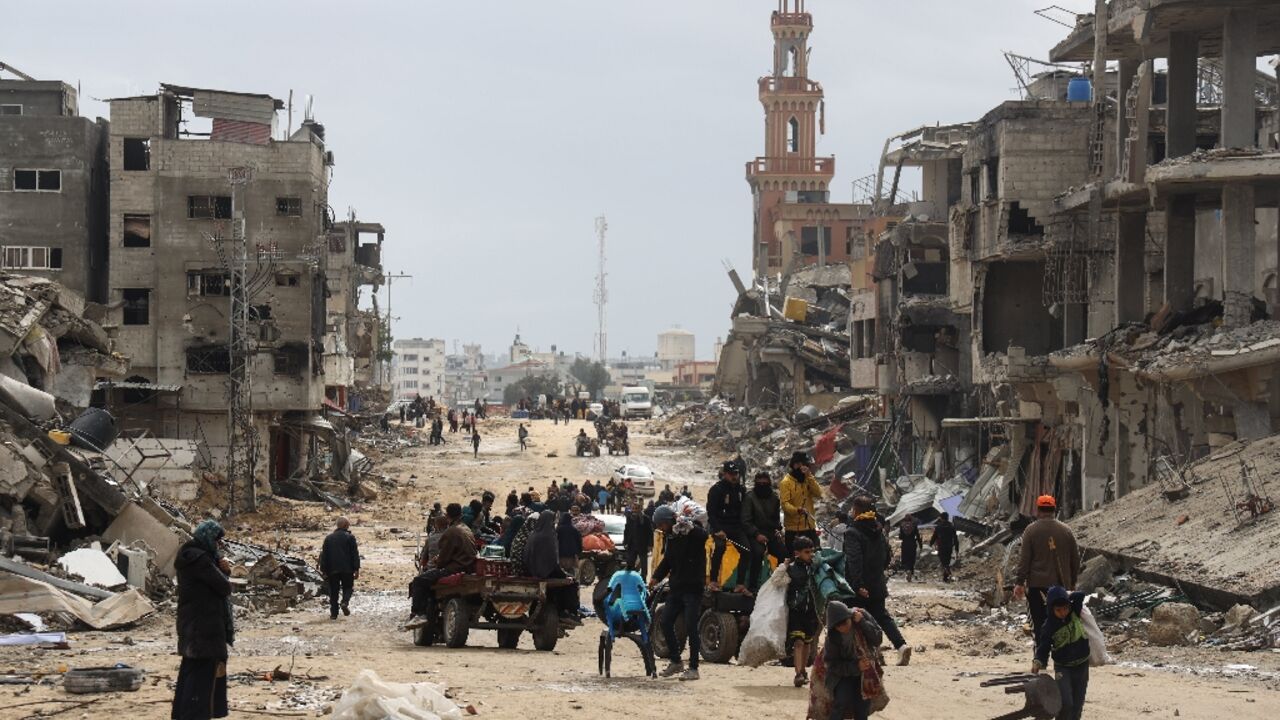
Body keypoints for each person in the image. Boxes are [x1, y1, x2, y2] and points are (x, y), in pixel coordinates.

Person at [172, 520, 233, 720]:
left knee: (190, 674)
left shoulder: (190, 556)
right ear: (208, 539)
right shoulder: (201, 560)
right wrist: (224, 570)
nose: (218, 545)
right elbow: (223, 587)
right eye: (216, 541)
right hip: (204, 628)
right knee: (201, 681)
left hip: (193, 625)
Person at [843, 497, 911, 666]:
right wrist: (877, 572)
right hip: (877, 582)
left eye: (852, 509)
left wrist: (858, 584)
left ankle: (872, 653)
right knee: (882, 616)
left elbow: (854, 560)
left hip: (859, 585)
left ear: (857, 511)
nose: (851, 512)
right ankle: (901, 646)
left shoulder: (852, 532)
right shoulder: (878, 531)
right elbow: (886, 557)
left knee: (856, 618)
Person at [649, 505, 708, 681]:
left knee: (691, 627)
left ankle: (693, 668)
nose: (661, 528)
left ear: (669, 520)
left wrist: (690, 527)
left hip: (693, 588)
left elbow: (704, 536)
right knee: (665, 622)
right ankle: (676, 661)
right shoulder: (670, 537)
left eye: (662, 524)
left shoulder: (689, 532)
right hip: (676, 588)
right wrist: (655, 577)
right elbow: (668, 560)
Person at [1013, 495, 1081, 637]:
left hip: (1037, 587)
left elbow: (1024, 560)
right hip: (1061, 586)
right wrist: (1073, 582)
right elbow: (1075, 559)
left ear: (1038, 510)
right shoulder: (1066, 530)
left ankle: (1041, 655)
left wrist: (1019, 583)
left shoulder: (1030, 531)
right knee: (1061, 621)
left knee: (1038, 624)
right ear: (1054, 509)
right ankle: (1061, 653)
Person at [407, 503, 476, 628]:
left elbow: (443, 559)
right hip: (468, 566)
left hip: (454, 568)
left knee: (419, 581)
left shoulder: (451, 532)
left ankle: (419, 614)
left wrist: (436, 561)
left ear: (447, 515)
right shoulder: (466, 529)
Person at [1033, 586, 1091, 720]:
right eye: (1058, 610)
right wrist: (1038, 662)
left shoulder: (1074, 613)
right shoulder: (1049, 626)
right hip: (1063, 668)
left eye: (1065, 608)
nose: (1063, 612)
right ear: (1051, 609)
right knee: (1066, 703)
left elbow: (1080, 594)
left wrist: (1066, 597)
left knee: (1077, 703)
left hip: (1082, 665)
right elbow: (1043, 648)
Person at [822, 600, 885, 720]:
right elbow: (832, 664)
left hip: (865, 671)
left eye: (846, 623)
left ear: (849, 617)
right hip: (842, 674)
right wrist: (856, 666)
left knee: (862, 707)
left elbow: (877, 639)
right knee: (841, 702)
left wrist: (863, 622)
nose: (844, 628)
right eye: (839, 626)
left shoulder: (861, 615)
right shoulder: (832, 638)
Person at [522, 511, 580, 621]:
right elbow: (552, 562)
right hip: (546, 573)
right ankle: (565, 613)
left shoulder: (533, 535)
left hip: (531, 572)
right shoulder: (549, 536)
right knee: (571, 583)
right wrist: (563, 575)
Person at [706, 460, 750, 593]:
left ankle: (740, 584)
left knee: (747, 550)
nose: (734, 476)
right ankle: (713, 581)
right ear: (724, 474)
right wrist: (718, 530)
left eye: (736, 473)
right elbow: (711, 513)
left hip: (736, 527)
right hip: (720, 526)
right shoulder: (716, 489)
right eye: (731, 474)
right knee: (720, 548)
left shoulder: (741, 490)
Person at [742, 471, 786, 593]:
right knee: (758, 552)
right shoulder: (749, 497)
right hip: (754, 533)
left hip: (770, 533)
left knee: (784, 553)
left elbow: (776, 519)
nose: (762, 485)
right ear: (756, 483)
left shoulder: (774, 498)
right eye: (759, 483)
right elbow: (745, 521)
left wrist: (778, 530)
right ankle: (753, 586)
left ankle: (777, 583)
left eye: (765, 483)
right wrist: (756, 534)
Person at [786, 537, 820, 687]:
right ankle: (798, 673)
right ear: (797, 553)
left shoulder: (817, 567)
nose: (811, 555)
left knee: (807, 642)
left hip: (812, 612)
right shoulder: (790, 569)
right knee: (798, 642)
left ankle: (804, 671)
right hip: (796, 611)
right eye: (807, 552)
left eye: (812, 551)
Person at [780, 452, 823, 553]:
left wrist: (809, 476)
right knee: (794, 558)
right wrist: (796, 510)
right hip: (794, 528)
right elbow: (785, 504)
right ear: (795, 465)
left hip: (809, 525)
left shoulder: (807, 479)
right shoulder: (786, 482)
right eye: (802, 464)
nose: (804, 467)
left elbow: (818, 493)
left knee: (817, 555)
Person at [318, 517, 360, 620]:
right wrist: (356, 568)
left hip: (332, 569)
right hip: (347, 569)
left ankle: (333, 614)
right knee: (348, 587)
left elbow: (324, 556)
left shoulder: (328, 538)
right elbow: (354, 554)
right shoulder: (350, 537)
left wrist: (323, 570)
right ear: (346, 526)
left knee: (334, 591)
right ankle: (345, 602)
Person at [623, 499, 653, 579]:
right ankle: (630, 579)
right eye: (633, 508)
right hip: (632, 544)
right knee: (630, 562)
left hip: (642, 545)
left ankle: (643, 579)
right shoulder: (629, 518)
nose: (634, 510)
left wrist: (650, 545)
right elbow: (626, 531)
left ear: (640, 509)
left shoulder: (645, 518)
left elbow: (650, 532)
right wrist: (625, 542)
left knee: (643, 564)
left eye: (636, 508)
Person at [930, 512, 960, 583]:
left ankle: (948, 573)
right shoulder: (951, 526)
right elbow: (955, 538)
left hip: (941, 546)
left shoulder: (938, 526)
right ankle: (945, 578)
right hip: (949, 546)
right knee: (947, 561)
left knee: (943, 562)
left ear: (941, 518)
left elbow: (934, 536)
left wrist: (930, 544)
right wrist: (956, 548)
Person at [898, 516, 924, 582]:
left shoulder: (902, 526)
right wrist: (920, 545)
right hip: (912, 544)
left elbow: (900, 537)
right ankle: (910, 572)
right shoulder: (913, 526)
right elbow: (917, 536)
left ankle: (907, 570)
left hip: (905, 544)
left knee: (905, 559)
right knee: (911, 559)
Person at [557, 510, 583, 575]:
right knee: (571, 571)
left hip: (561, 554)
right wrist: (579, 551)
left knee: (562, 571)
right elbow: (579, 540)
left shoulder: (558, 529)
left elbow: (555, 541)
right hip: (571, 555)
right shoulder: (574, 529)